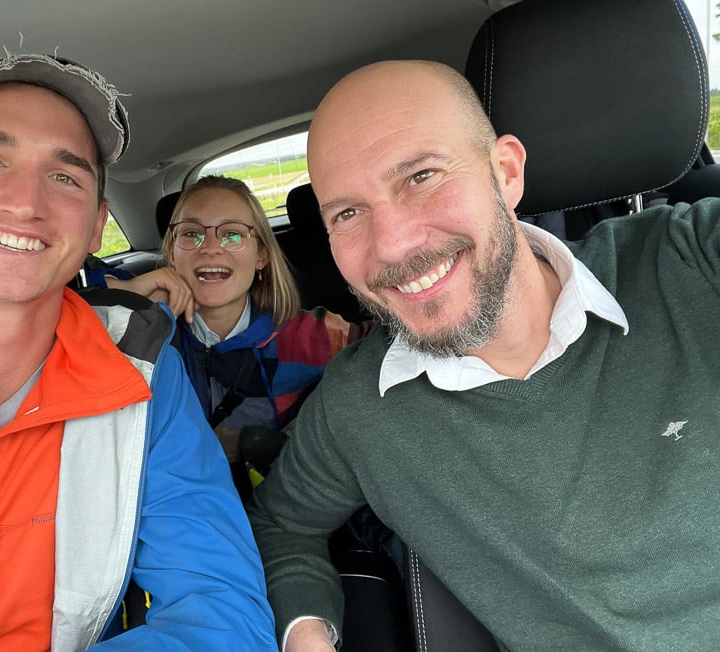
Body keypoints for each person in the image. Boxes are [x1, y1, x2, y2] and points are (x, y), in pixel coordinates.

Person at [247, 59, 720, 651]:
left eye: (421, 177)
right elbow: (278, 526)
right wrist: (306, 632)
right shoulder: (358, 405)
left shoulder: (693, 259)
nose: (392, 244)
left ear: (506, 172)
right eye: (347, 213)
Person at [0, 52, 277, 650]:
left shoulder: (145, 372)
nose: (26, 202)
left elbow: (223, 615)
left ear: (96, 224)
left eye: (65, 176)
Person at [107, 175, 368, 502]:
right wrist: (129, 296)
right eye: (191, 234)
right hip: (173, 510)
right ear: (172, 254)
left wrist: (267, 441)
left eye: (232, 234)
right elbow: (71, 304)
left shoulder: (314, 337)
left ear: (261, 256)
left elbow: (384, 358)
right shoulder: (146, 335)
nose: (211, 247)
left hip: (280, 508)